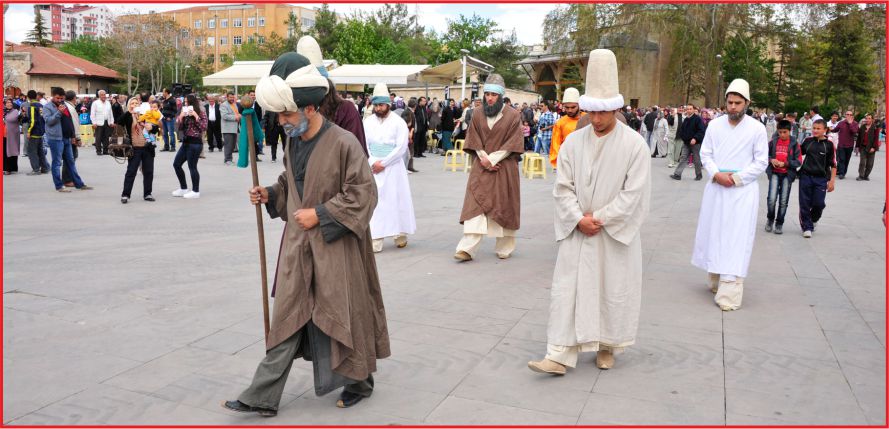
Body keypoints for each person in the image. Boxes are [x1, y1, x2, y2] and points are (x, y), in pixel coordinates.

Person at [225, 52, 389, 416]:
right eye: (279, 115)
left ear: (311, 108)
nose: (282, 122)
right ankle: (262, 396)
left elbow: (364, 194)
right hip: (299, 247)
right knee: (287, 315)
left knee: (340, 312)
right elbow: (291, 184)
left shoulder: (345, 143)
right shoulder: (293, 143)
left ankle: (359, 381)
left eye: (287, 114)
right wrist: (270, 193)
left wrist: (322, 214)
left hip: (337, 247)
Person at [527, 49, 650, 374]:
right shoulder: (572, 144)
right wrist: (578, 218)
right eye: (591, 112)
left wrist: (603, 219)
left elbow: (634, 194)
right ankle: (559, 353)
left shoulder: (635, 145)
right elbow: (562, 187)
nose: (596, 120)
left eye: (603, 113)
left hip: (612, 235)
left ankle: (608, 344)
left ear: (617, 109)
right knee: (567, 290)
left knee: (612, 289)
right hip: (578, 230)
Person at [692, 79, 768, 311]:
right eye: (730, 102)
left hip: (742, 192)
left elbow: (761, 161)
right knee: (714, 231)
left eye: (737, 102)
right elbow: (706, 154)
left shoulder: (757, 128)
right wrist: (717, 174)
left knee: (736, 237)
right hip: (716, 188)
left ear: (747, 103)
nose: (733, 106)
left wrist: (735, 178)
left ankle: (730, 292)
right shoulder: (715, 125)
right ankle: (715, 275)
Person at [454, 74, 523, 262]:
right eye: (487, 94)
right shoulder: (476, 113)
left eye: (493, 94)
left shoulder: (513, 115)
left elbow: (514, 141)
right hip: (481, 164)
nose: (489, 98)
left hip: (504, 165)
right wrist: (483, 158)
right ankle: (467, 248)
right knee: (475, 203)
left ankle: (505, 247)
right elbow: (473, 138)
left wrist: (493, 159)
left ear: (501, 96)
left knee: (504, 204)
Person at [362, 82, 417, 252]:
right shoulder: (367, 122)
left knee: (396, 201)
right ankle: (376, 238)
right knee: (376, 203)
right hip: (373, 167)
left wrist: (384, 163)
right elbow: (364, 143)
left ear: (388, 105)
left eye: (381, 105)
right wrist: (372, 162)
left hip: (393, 168)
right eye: (376, 105)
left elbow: (401, 147)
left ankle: (399, 233)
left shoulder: (398, 122)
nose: (378, 108)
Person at [43, 87, 92, 192]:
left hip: (66, 138)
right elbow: (49, 121)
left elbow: (69, 122)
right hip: (55, 138)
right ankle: (59, 186)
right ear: (53, 96)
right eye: (57, 98)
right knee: (57, 163)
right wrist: (59, 112)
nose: (60, 100)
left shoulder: (64, 105)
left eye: (62, 98)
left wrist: (73, 136)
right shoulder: (47, 107)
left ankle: (79, 184)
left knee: (70, 161)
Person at [798, 120, 836, 238]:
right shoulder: (808, 141)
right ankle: (807, 227)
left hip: (821, 179)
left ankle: (814, 219)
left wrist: (832, 181)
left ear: (825, 130)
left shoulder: (829, 144)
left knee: (819, 204)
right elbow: (798, 153)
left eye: (818, 128)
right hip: (805, 176)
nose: (815, 130)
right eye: (814, 128)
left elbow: (834, 164)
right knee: (804, 203)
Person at [764, 120, 802, 235]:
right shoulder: (773, 142)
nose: (782, 134)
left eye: (785, 132)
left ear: (790, 131)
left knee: (783, 201)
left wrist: (785, 163)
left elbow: (799, 161)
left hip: (787, 175)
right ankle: (770, 219)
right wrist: (771, 160)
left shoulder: (795, 143)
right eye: (780, 132)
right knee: (771, 199)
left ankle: (779, 223)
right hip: (774, 173)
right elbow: (764, 155)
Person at [117, 97, 156, 203]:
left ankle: (147, 193)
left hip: (147, 147)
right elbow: (119, 122)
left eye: (136, 103)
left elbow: (155, 128)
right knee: (131, 171)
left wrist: (152, 128)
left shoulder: (146, 114)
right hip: (134, 148)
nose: (134, 105)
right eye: (132, 103)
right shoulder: (128, 116)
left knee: (148, 172)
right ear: (129, 105)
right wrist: (128, 112)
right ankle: (125, 195)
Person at [172, 94, 207, 199]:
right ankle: (183, 188)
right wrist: (181, 117)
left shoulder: (201, 112)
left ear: (193, 103)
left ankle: (196, 191)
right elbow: (180, 128)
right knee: (176, 164)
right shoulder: (185, 112)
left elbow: (203, 127)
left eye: (188, 102)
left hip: (195, 143)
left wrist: (196, 116)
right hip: (186, 142)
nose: (186, 104)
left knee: (192, 167)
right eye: (185, 102)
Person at [549, 88, 584, 168]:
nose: (570, 110)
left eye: (573, 107)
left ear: (579, 105)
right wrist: (560, 164)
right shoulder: (560, 123)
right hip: (567, 163)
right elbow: (555, 145)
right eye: (567, 107)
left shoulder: (588, 119)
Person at [670, 104, 706, 181]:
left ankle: (698, 175)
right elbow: (682, 130)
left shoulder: (698, 119)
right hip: (686, 143)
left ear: (693, 110)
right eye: (688, 109)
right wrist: (683, 138)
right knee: (683, 158)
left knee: (696, 160)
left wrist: (695, 138)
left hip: (695, 143)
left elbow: (701, 131)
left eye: (690, 109)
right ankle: (677, 174)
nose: (689, 110)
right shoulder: (686, 119)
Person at [24, 90, 49, 175]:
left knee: (31, 151)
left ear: (28, 97)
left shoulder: (32, 106)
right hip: (40, 131)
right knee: (40, 151)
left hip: (34, 132)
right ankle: (45, 168)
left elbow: (33, 120)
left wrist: (29, 131)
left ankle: (36, 169)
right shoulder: (40, 105)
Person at [831, 110, 859, 179]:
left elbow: (854, 131)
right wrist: (830, 129)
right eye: (847, 114)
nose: (849, 116)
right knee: (841, 159)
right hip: (841, 145)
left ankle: (844, 172)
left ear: (852, 116)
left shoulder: (855, 123)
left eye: (850, 114)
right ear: (845, 115)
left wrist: (850, 124)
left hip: (850, 145)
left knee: (847, 160)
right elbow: (836, 129)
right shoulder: (841, 123)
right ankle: (841, 173)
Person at [856, 113, 881, 181]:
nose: (867, 120)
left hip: (871, 148)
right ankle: (861, 175)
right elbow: (859, 137)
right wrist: (857, 146)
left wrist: (874, 147)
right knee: (862, 163)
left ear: (872, 120)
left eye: (869, 118)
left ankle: (866, 175)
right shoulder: (863, 127)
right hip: (863, 147)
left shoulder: (875, 127)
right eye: (866, 118)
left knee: (870, 164)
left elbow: (876, 138)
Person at [90, 90, 115, 156]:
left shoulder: (108, 103)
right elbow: (92, 114)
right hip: (98, 122)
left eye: (104, 94)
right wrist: (94, 122)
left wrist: (112, 121)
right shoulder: (95, 103)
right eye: (102, 95)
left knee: (106, 137)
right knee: (98, 137)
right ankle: (98, 151)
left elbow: (111, 113)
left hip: (107, 122)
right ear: (99, 95)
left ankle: (105, 150)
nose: (104, 96)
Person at [220, 92, 241, 165]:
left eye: (233, 97)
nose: (232, 99)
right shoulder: (223, 105)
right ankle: (227, 160)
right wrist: (236, 117)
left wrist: (239, 115)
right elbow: (224, 116)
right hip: (227, 129)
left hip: (234, 128)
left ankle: (229, 159)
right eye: (230, 97)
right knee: (228, 145)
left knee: (232, 145)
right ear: (227, 97)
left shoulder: (234, 104)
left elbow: (236, 113)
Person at [4, 99, 21, 175]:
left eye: (10, 102)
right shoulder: (4, 111)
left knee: (10, 151)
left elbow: (12, 119)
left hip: (12, 134)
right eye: (7, 103)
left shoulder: (15, 112)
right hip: (4, 134)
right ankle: (7, 168)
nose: (9, 104)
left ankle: (9, 169)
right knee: (5, 152)